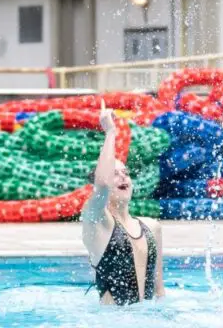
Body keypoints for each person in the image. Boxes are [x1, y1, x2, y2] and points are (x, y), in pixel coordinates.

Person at [82, 109, 164, 305]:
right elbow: (102, 183)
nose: (123, 177)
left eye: (125, 172)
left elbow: (160, 290)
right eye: (115, 173)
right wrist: (110, 132)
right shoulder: (97, 223)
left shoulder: (152, 227)